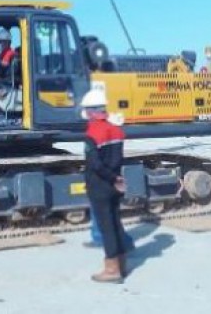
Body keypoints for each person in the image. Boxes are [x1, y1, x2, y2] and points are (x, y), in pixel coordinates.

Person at [81, 89, 129, 283]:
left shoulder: (92, 132)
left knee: (106, 227)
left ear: (92, 112)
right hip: (114, 184)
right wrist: (116, 178)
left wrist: (110, 178)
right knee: (116, 223)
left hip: (100, 185)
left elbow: (95, 164)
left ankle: (112, 270)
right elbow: (118, 158)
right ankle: (122, 263)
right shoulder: (116, 130)